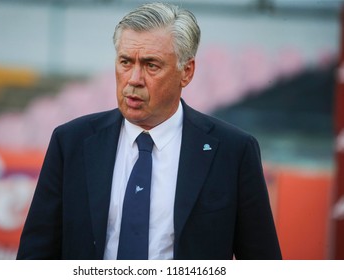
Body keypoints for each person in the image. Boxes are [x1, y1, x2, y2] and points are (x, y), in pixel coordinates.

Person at [17, 2, 281, 260]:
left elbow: (261, 262)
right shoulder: (71, 142)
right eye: (125, 62)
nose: (134, 79)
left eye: (151, 65)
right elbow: (36, 255)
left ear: (186, 72)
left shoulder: (233, 151)